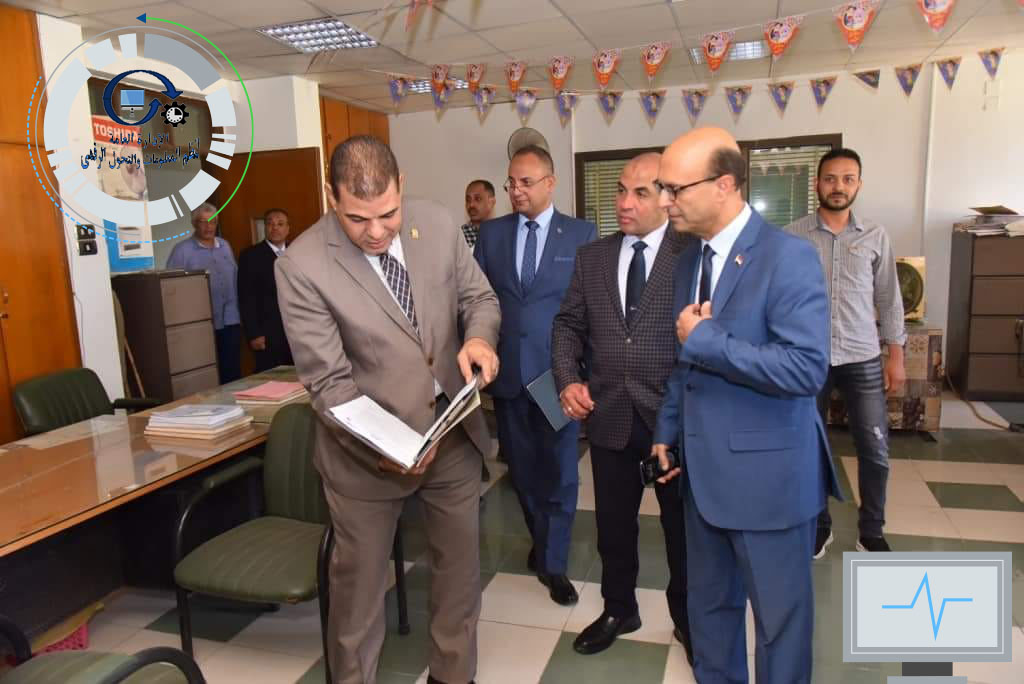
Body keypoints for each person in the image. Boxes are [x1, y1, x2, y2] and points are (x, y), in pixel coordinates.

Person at [276, 135, 500, 684]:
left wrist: (478, 339)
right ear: (332, 196)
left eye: (388, 214)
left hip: (450, 435)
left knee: (458, 576)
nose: (376, 232)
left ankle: (454, 676)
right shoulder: (302, 265)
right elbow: (329, 383)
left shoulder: (438, 224)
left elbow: (479, 299)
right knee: (358, 597)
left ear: (401, 187)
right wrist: (390, 445)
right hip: (364, 459)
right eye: (357, 218)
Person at [652, 127, 841, 684]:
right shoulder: (687, 261)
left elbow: (805, 369)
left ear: (725, 185)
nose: (664, 201)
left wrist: (708, 339)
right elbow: (685, 363)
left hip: (769, 484)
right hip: (702, 479)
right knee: (710, 616)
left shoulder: (789, 257)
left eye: (674, 189)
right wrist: (666, 429)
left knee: (780, 627)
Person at [551, 153, 693, 660]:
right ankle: (619, 608)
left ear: (667, 198)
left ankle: (688, 619)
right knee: (613, 527)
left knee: (682, 531)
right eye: (620, 190)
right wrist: (568, 379)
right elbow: (568, 325)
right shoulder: (592, 257)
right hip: (609, 415)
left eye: (640, 193)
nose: (624, 203)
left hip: (672, 423)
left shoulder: (692, 255)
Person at [474, 145, 597, 606]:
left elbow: (591, 309)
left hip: (556, 376)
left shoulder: (580, 234)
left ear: (550, 182)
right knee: (523, 474)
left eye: (526, 182)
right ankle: (542, 540)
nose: (516, 191)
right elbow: (479, 299)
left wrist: (585, 374)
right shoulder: (492, 234)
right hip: (508, 375)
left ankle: (555, 564)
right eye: (511, 183)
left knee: (560, 472)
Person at [785, 148, 905, 558]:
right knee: (809, 448)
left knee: (875, 448)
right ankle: (819, 527)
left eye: (848, 178)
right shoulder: (792, 236)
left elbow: (889, 298)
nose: (839, 186)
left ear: (859, 185)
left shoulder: (875, 235)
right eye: (831, 178)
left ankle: (871, 531)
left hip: (862, 356)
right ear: (817, 183)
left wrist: (896, 355)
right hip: (809, 359)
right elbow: (780, 298)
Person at [166, 203, 241, 384]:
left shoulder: (225, 245)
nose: (209, 227)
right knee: (208, 371)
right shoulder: (182, 250)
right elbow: (171, 288)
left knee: (232, 370)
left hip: (230, 318)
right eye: (203, 222)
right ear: (194, 224)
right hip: (202, 321)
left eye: (213, 222)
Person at [237, 208, 295, 373]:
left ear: (288, 228)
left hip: (296, 328)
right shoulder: (250, 256)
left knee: (297, 376)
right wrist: (254, 333)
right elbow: (246, 297)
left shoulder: (297, 251)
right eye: (270, 224)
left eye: (280, 224)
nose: (275, 228)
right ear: (265, 227)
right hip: (268, 331)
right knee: (272, 377)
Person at [461, 180, 496, 248]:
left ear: (491, 202)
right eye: (468, 200)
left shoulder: (502, 233)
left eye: (477, 199)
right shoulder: (459, 236)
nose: (471, 204)